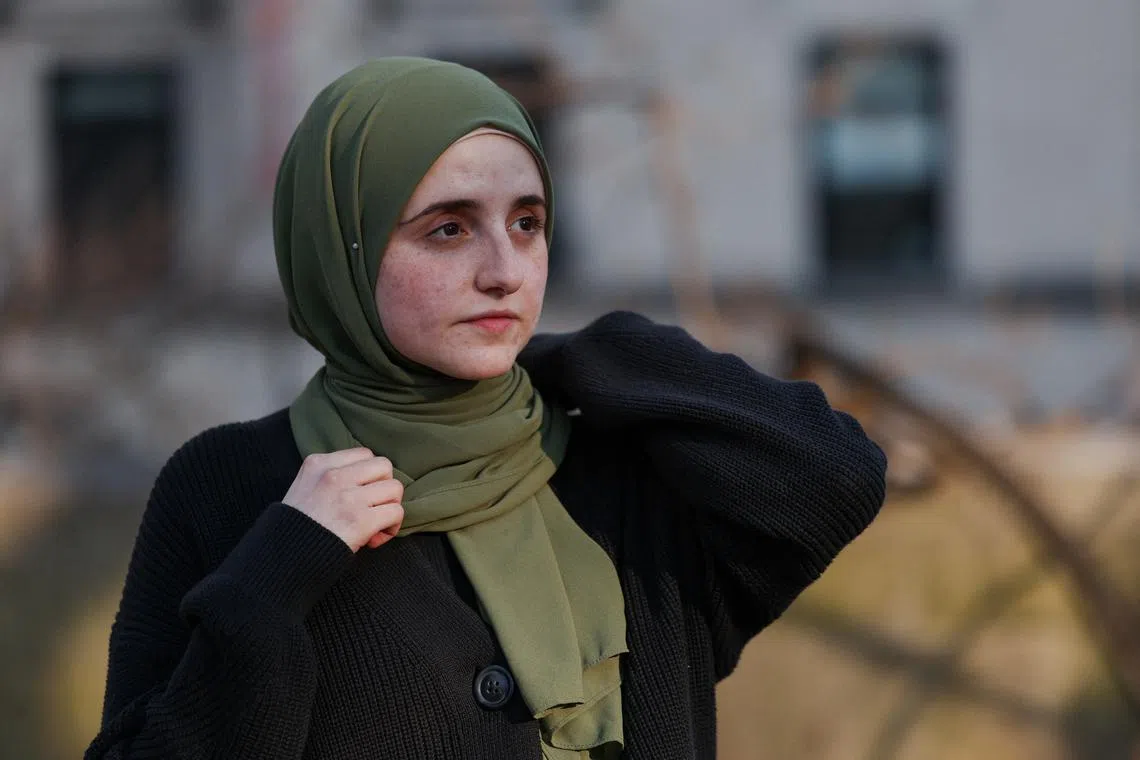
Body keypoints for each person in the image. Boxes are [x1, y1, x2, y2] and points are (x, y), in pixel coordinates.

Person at [86, 57, 887, 760]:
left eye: (528, 223)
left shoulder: (619, 468)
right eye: (448, 229)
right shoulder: (232, 489)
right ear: (342, 249)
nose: (505, 271)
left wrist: (587, 355)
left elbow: (833, 478)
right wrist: (278, 573)